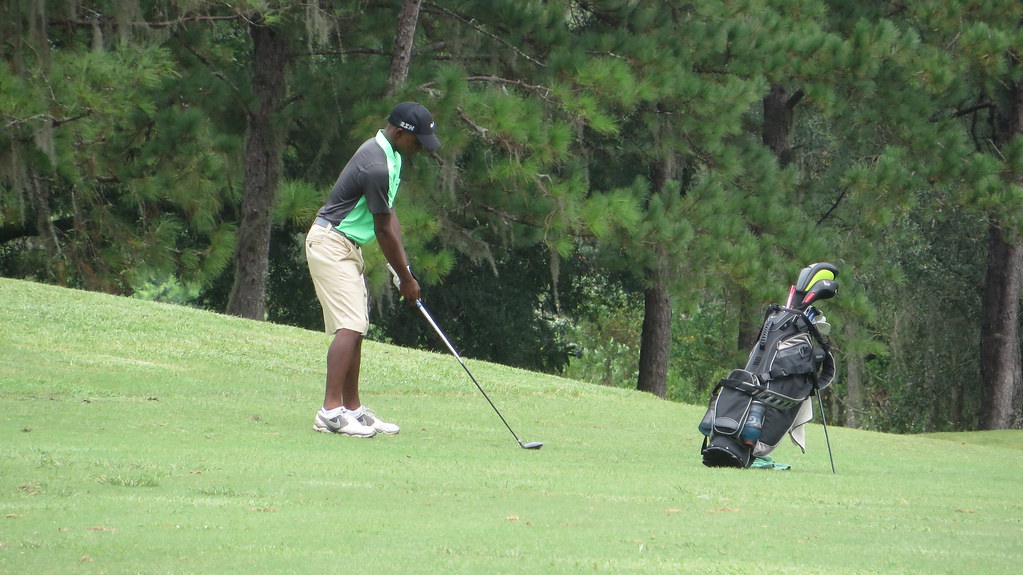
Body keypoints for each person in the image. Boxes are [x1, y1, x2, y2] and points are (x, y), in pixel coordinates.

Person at [305, 102, 441, 437]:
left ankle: (352, 409)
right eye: (418, 141)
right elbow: (381, 229)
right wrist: (407, 280)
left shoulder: (392, 156)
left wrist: (402, 269)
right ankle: (330, 412)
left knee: (357, 327)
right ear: (400, 132)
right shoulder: (377, 164)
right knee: (349, 325)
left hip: (345, 246)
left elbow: (389, 216)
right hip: (330, 243)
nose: (421, 148)